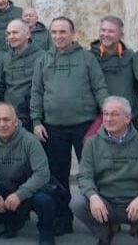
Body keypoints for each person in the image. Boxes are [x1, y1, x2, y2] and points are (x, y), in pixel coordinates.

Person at [30, 16, 109, 235]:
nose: (58, 36)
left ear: (73, 34)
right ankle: (63, 219)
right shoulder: (43, 60)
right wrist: (37, 121)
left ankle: (101, 220)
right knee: (58, 176)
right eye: (54, 32)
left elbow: (100, 88)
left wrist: (108, 116)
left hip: (86, 127)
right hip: (54, 127)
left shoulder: (87, 59)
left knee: (93, 172)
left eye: (62, 32)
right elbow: (36, 92)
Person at [71, 96, 138, 245]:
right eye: (105, 113)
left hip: (136, 204)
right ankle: (105, 234)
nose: (108, 118)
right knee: (77, 203)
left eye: (114, 114)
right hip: (106, 203)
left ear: (128, 118)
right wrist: (93, 197)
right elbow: (84, 176)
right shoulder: (92, 143)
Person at [0, 102, 57, 244]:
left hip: (26, 190)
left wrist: (19, 195)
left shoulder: (30, 141)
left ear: (15, 121)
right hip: (3, 189)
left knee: (45, 201)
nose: (2, 124)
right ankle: (11, 222)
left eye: (6, 119)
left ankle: (46, 231)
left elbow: (42, 173)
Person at [92, 16, 138, 124]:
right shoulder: (90, 57)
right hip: (102, 118)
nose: (106, 34)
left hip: (129, 118)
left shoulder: (130, 56)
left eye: (111, 31)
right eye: (103, 30)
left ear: (121, 35)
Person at [0, 19, 45, 126]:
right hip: (10, 117)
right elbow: (1, 87)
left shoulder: (42, 57)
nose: (11, 37)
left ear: (27, 34)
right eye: (8, 34)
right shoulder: (5, 58)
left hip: (32, 117)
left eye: (15, 32)